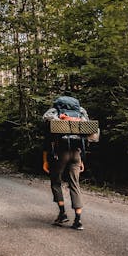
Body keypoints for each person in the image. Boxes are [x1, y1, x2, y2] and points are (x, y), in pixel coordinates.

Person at [42, 96, 89, 230]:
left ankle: (62, 214)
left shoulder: (53, 112)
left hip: (60, 153)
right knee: (75, 184)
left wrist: (45, 160)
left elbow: (47, 139)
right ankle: (78, 220)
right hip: (76, 153)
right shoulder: (80, 112)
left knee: (56, 181)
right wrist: (81, 159)